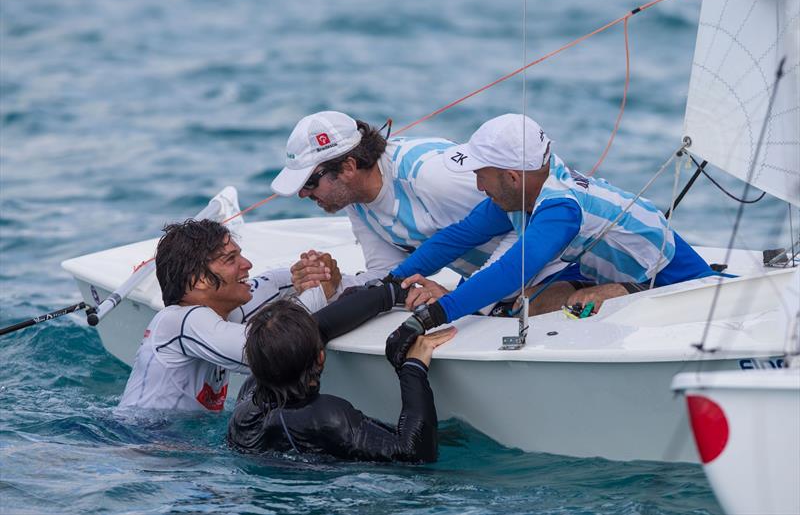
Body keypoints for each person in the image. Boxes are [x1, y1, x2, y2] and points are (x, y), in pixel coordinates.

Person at [384, 114, 716, 339]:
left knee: (560, 300)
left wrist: (432, 317)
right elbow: (456, 238)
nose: (478, 185)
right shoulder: (528, 189)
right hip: (626, 271)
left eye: (479, 173)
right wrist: (391, 280)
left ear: (511, 177)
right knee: (529, 301)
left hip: (674, 278)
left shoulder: (560, 209)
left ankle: (626, 300)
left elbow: (512, 271)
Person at [269, 111, 566, 304]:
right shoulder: (357, 202)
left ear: (348, 167)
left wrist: (469, 295)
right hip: (502, 284)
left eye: (310, 182)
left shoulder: (433, 176)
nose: (303, 194)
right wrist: (336, 285)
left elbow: (530, 208)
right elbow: (389, 274)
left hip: (560, 266)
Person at [117, 219, 404, 412]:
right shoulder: (180, 321)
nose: (247, 264)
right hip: (145, 448)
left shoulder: (221, 312)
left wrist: (308, 274)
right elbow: (270, 348)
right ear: (199, 281)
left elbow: (271, 284)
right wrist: (321, 291)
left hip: (177, 452)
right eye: (231, 260)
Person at [227, 299, 455, 462]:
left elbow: (311, 331)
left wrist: (387, 293)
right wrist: (413, 368)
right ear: (321, 357)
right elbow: (416, 452)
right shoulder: (327, 416)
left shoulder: (245, 408)